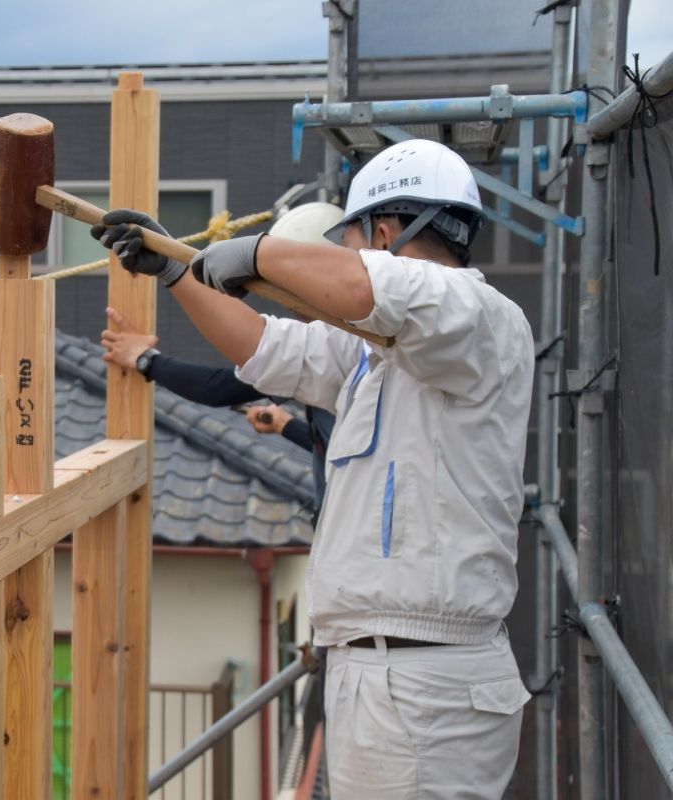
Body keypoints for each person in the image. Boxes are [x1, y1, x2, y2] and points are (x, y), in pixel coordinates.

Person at [92, 140, 533, 799]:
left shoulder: (475, 315)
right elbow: (266, 347)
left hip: (424, 683)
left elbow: (362, 285)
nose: (336, 256)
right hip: (385, 673)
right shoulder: (372, 352)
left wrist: (259, 253)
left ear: (385, 232)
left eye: (344, 238)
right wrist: (178, 275)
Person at [100, 202, 344, 517]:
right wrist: (286, 426)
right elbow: (331, 446)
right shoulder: (354, 343)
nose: (288, 299)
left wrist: (146, 360)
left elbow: (221, 387)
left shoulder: (347, 346)